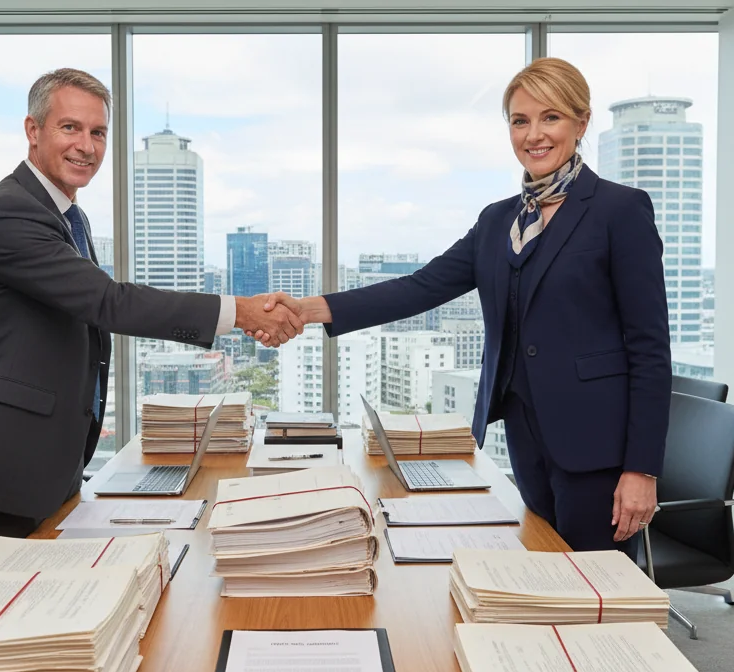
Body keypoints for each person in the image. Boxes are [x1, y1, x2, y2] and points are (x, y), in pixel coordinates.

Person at [265, 58, 670, 554]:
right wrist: (308, 310)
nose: (534, 135)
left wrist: (642, 468)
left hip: (596, 446)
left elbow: (650, 349)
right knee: (544, 570)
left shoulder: (619, 210)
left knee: (594, 593)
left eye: (551, 117)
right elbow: (419, 287)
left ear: (581, 123)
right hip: (525, 435)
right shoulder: (498, 220)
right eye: (520, 121)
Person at [0, 68, 303, 558]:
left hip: (45, 453)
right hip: (2, 460)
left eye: (98, 132)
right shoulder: (9, 213)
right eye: (70, 128)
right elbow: (108, 303)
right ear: (32, 130)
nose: (86, 146)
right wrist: (241, 311)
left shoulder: (66, 214)